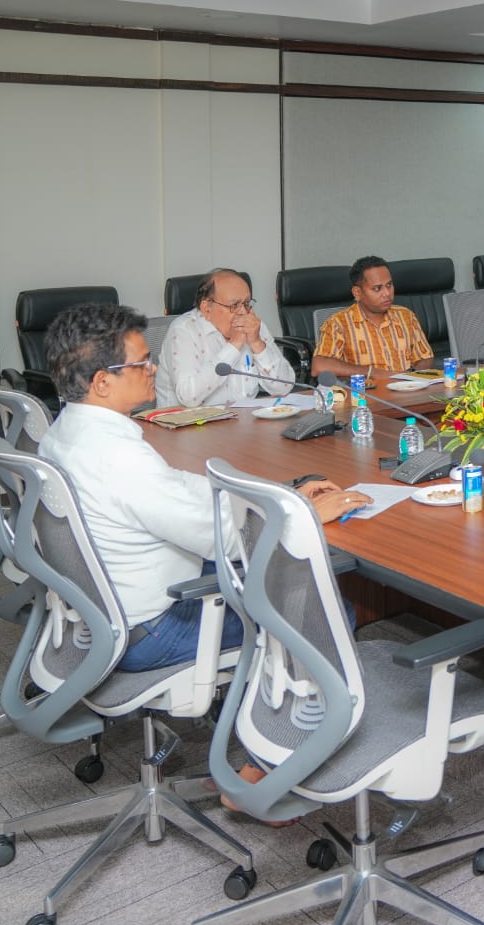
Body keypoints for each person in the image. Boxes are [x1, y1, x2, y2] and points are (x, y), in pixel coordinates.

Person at [39, 303, 370, 674]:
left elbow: (177, 484)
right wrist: (302, 514)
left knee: (272, 574)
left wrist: (279, 494)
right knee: (325, 609)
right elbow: (226, 540)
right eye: (142, 363)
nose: (153, 369)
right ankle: (290, 707)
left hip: (106, 611)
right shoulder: (119, 457)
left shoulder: (64, 432)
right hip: (154, 630)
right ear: (102, 382)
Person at [155, 268, 293, 408]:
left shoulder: (254, 326)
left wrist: (257, 343)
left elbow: (284, 388)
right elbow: (188, 396)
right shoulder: (183, 331)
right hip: (188, 420)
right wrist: (234, 346)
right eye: (234, 305)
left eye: (246, 303)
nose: (243, 312)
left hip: (245, 418)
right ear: (206, 307)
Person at [311, 256, 437, 381]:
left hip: (407, 389)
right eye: (377, 288)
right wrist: (372, 373)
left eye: (389, 285)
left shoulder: (406, 316)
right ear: (357, 293)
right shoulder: (338, 324)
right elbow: (319, 366)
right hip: (366, 391)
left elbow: (426, 357)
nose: (387, 293)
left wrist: (410, 376)